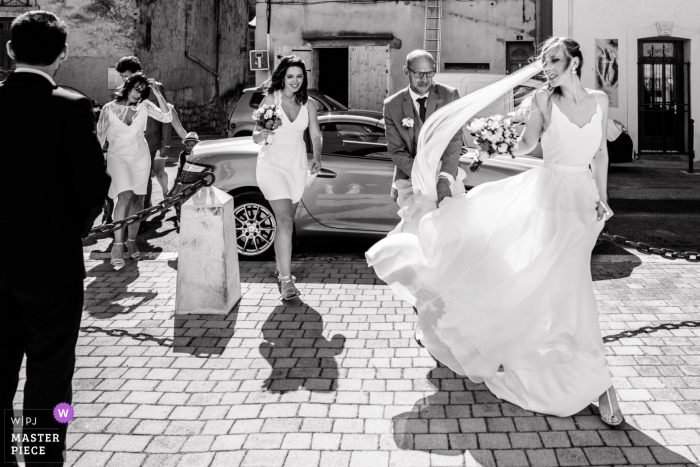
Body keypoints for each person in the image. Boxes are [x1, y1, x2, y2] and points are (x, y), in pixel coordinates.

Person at [366, 37, 623, 425]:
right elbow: (525, 147)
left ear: (575, 61)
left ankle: (569, 362)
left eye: (554, 60)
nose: (547, 66)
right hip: (549, 199)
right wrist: (493, 142)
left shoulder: (600, 100)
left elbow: (600, 153)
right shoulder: (542, 102)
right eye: (544, 60)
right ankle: (597, 380)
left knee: (567, 286)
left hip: (583, 203)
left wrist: (602, 197)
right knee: (566, 286)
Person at [0, 11, 111, 466]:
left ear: (10, 51)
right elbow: (92, 186)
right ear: (63, 54)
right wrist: (73, 229)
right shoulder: (70, 106)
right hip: (51, 266)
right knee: (51, 374)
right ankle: (44, 459)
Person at [253, 55, 322, 300]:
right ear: (282, 76)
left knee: (288, 221)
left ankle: (280, 264)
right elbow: (256, 137)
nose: (295, 81)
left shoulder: (309, 104)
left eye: (299, 76)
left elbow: (315, 134)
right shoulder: (271, 99)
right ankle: (285, 280)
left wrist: (318, 155)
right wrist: (265, 130)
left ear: (304, 79)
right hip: (272, 164)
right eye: (290, 76)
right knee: (283, 219)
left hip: (297, 165)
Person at [97, 72, 172, 266]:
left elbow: (166, 116)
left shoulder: (145, 106)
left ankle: (132, 243)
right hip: (117, 157)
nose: (138, 94)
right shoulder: (108, 108)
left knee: (139, 199)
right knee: (125, 196)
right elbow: (99, 137)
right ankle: (118, 245)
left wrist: (157, 92)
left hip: (140, 156)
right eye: (136, 88)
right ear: (128, 86)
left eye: (143, 91)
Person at [384, 50, 463, 206]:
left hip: (445, 179)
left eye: (430, 73)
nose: (425, 80)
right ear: (406, 71)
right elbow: (396, 151)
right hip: (411, 180)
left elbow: (454, 140)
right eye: (419, 74)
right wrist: (423, 177)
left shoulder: (449, 96)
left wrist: (443, 178)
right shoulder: (392, 105)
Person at [116, 56, 172, 211]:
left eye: (126, 76)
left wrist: (166, 143)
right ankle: (132, 212)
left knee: (144, 178)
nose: (124, 80)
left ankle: (141, 214)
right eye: (122, 77)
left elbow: (166, 117)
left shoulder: (155, 88)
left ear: (136, 73)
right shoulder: (125, 90)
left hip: (150, 141)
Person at [169, 131, 200, 220]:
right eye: (188, 145)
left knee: (193, 197)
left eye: (192, 145)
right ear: (185, 145)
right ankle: (179, 213)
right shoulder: (182, 155)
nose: (190, 147)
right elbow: (179, 167)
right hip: (183, 179)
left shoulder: (198, 155)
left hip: (194, 180)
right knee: (177, 196)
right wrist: (177, 179)